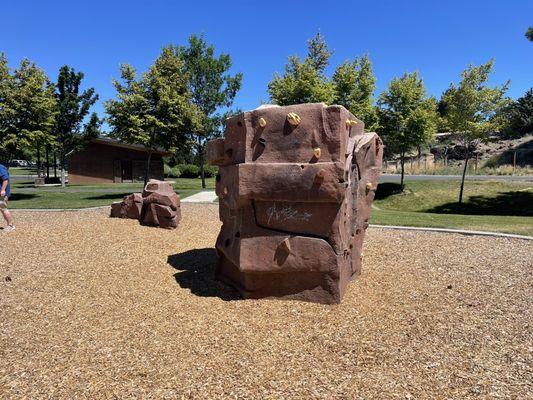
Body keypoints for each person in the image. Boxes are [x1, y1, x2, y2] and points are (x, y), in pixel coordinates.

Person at [0, 163, 15, 232]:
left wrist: (3, 190)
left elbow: (5, 179)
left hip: (2, 193)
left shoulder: (0, 167)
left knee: (3, 208)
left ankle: (10, 225)